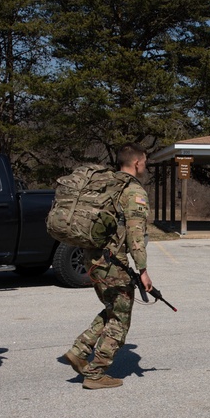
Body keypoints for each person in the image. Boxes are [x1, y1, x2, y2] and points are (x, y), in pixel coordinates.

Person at [62, 143, 152, 390]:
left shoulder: (106, 184)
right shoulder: (133, 191)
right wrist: (143, 270)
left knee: (114, 308)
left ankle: (80, 350)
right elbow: (135, 234)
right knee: (121, 318)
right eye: (144, 161)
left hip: (91, 257)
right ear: (136, 162)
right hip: (113, 263)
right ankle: (96, 371)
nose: (145, 165)